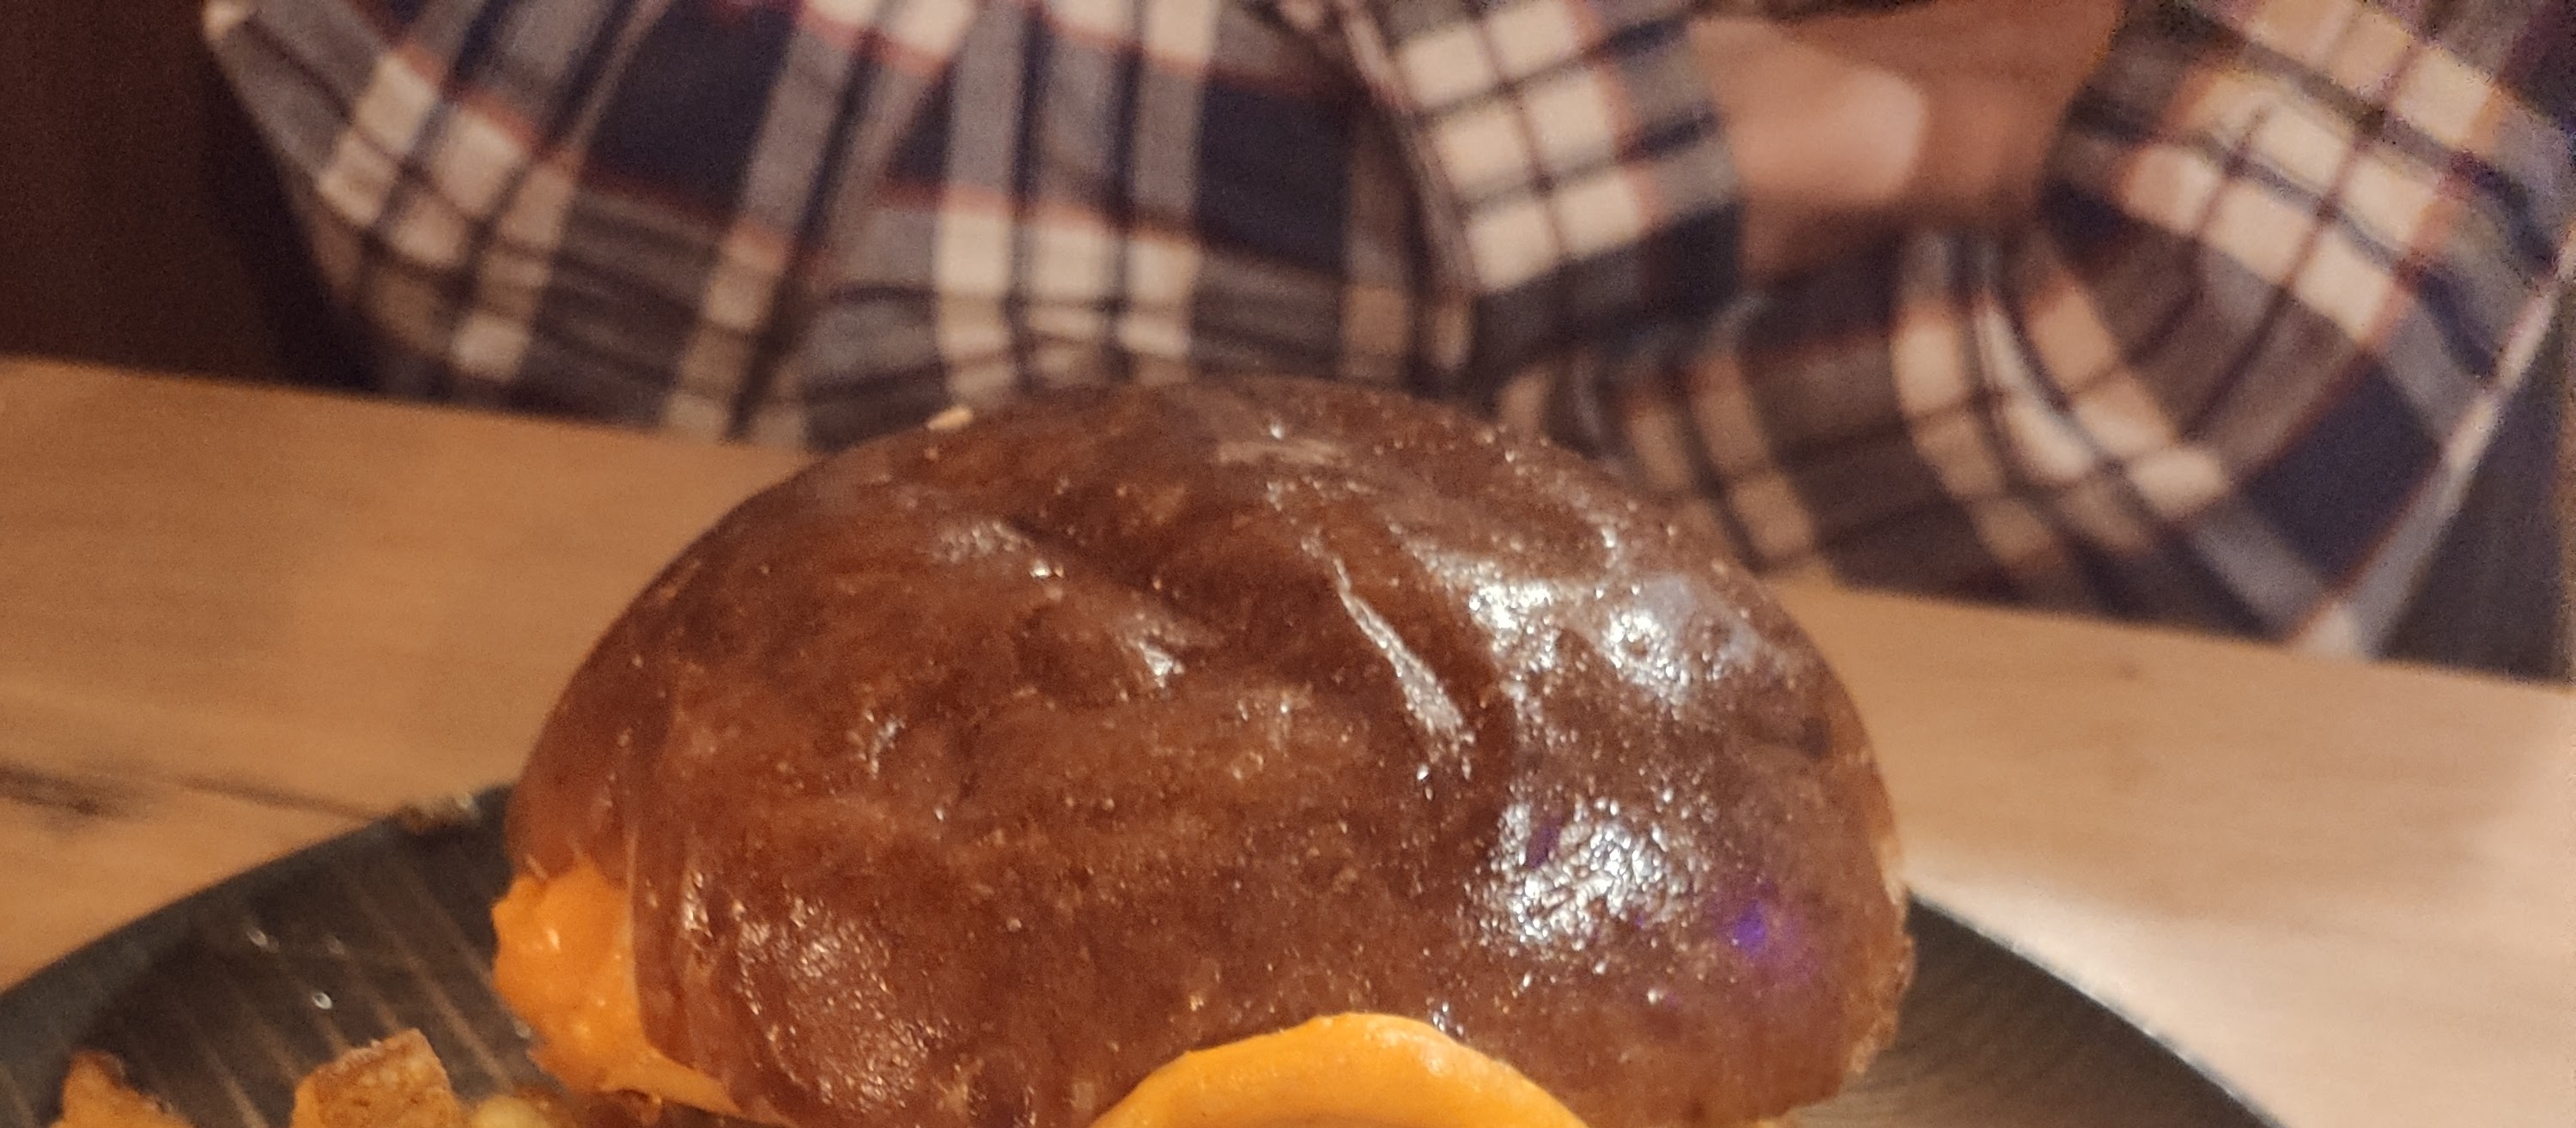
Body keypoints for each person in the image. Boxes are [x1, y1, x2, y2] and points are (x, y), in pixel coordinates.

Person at [204, 0, 2572, 663]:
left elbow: (2203, 453)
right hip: (424, 624)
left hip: (2182, 883)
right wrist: (1714, 134)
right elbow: (485, 115)